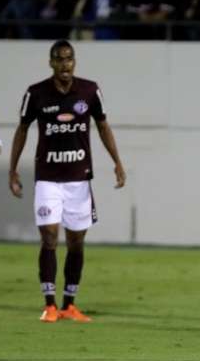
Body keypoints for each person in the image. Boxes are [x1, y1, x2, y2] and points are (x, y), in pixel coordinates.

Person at [8, 40, 127, 323]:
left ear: (75, 61)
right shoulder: (35, 93)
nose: (65, 64)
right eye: (59, 59)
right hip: (48, 178)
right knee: (49, 237)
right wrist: (12, 169)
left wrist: (117, 162)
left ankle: (69, 304)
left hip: (78, 179)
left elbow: (103, 126)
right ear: (51, 63)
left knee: (76, 241)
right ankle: (49, 304)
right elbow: (22, 129)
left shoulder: (89, 90)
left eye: (69, 58)